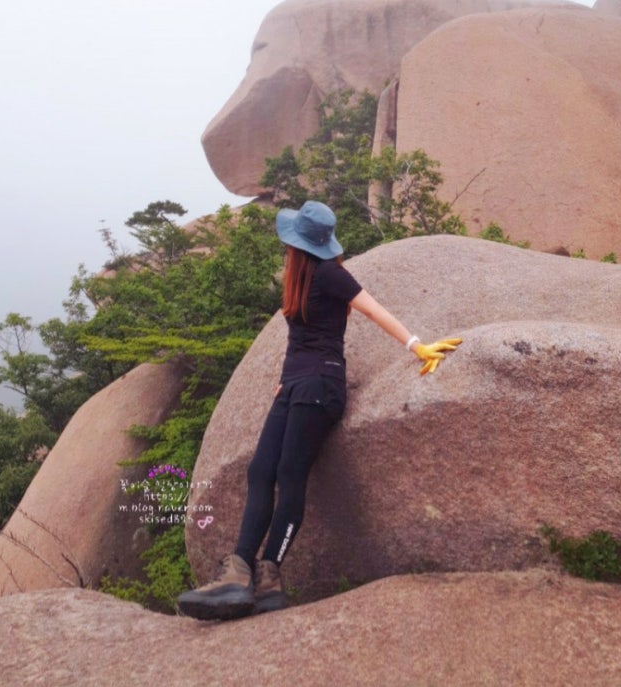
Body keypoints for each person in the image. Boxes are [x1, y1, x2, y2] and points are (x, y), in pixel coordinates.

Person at [177, 200, 461, 621]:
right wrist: (285, 379)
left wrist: (416, 345)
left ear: (298, 245)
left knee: (290, 474)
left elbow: (373, 308)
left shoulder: (331, 274)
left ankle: (268, 571)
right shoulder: (301, 276)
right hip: (296, 385)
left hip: (322, 386)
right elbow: (300, 337)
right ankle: (241, 573)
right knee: (260, 470)